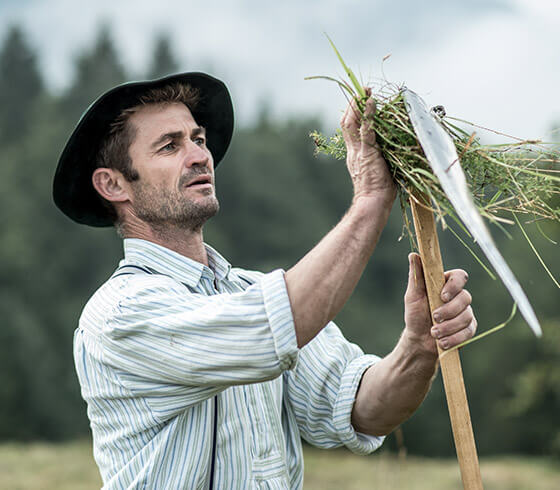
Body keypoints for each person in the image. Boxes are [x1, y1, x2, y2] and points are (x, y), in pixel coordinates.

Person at [53, 72, 477, 489]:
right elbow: (270, 329)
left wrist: (420, 343)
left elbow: (365, 408)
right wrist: (371, 198)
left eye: (198, 139)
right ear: (112, 184)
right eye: (169, 146)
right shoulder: (121, 312)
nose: (200, 155)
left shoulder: (247, 292)